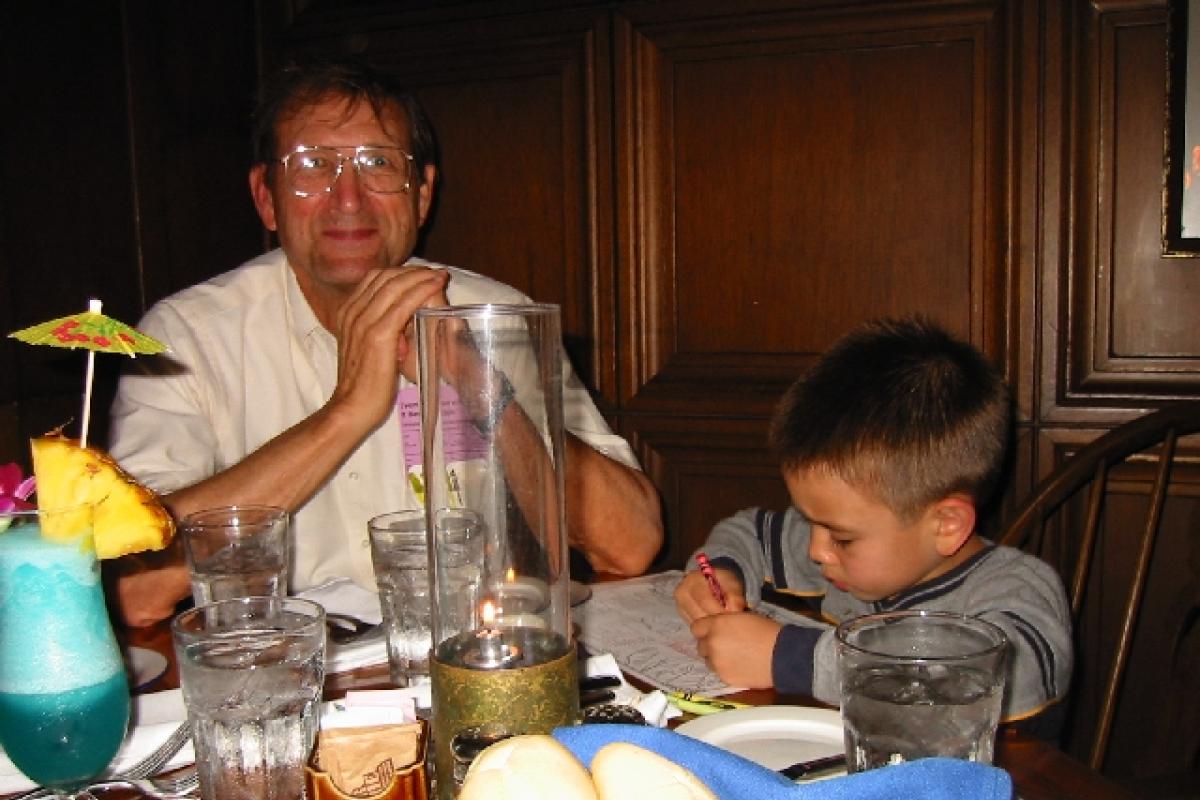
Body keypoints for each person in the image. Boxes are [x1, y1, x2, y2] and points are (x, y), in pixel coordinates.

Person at [109, 57, 663, 626]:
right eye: (313, 165)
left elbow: (631, 544)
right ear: (266, 198)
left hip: (471, 662)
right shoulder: (185, 338)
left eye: (378, 163)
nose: (347, 197)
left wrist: (478, 382)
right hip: (286, 676)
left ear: (422, 196)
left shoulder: (496, 313)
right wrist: (347, 412)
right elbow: (134, 588)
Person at [674, 318, 1072, 735]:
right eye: (811, 522)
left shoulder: (1021, 591)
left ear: (946, 525)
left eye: (841, 537)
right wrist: (720, 572)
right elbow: (748, 531)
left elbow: (985, 674)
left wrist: (789, 657)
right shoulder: (845, 559)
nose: (816, 550)